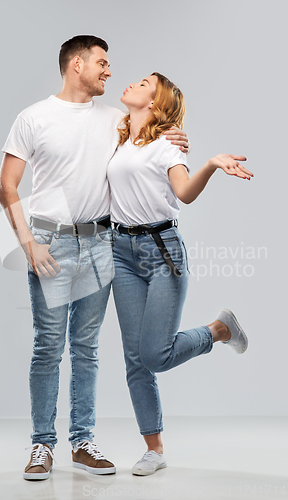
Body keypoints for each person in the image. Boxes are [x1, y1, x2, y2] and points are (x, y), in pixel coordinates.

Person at [0, 36, 189, 480]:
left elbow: (156, 140)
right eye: (102, 63)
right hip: (50, 242)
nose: (109, 71)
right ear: (76, 64)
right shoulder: (34, 118)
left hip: (104, 243)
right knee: (48, 347)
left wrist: (180, 136)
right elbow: (7, 185)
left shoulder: (117, 121)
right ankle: (42, 445)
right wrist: (28, 243)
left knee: (87, 349)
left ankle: (82, 441)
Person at [108, 72, 253, 476]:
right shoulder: (118, 138)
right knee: (135, 359)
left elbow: (184, 193)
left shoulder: (167, 145)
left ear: (155, 102)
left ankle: (218, 330)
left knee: (155, 354)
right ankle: (154, 449)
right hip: (120, 252)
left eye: (142, 83)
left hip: (161, 253)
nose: (132, 83)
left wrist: (209, 163)